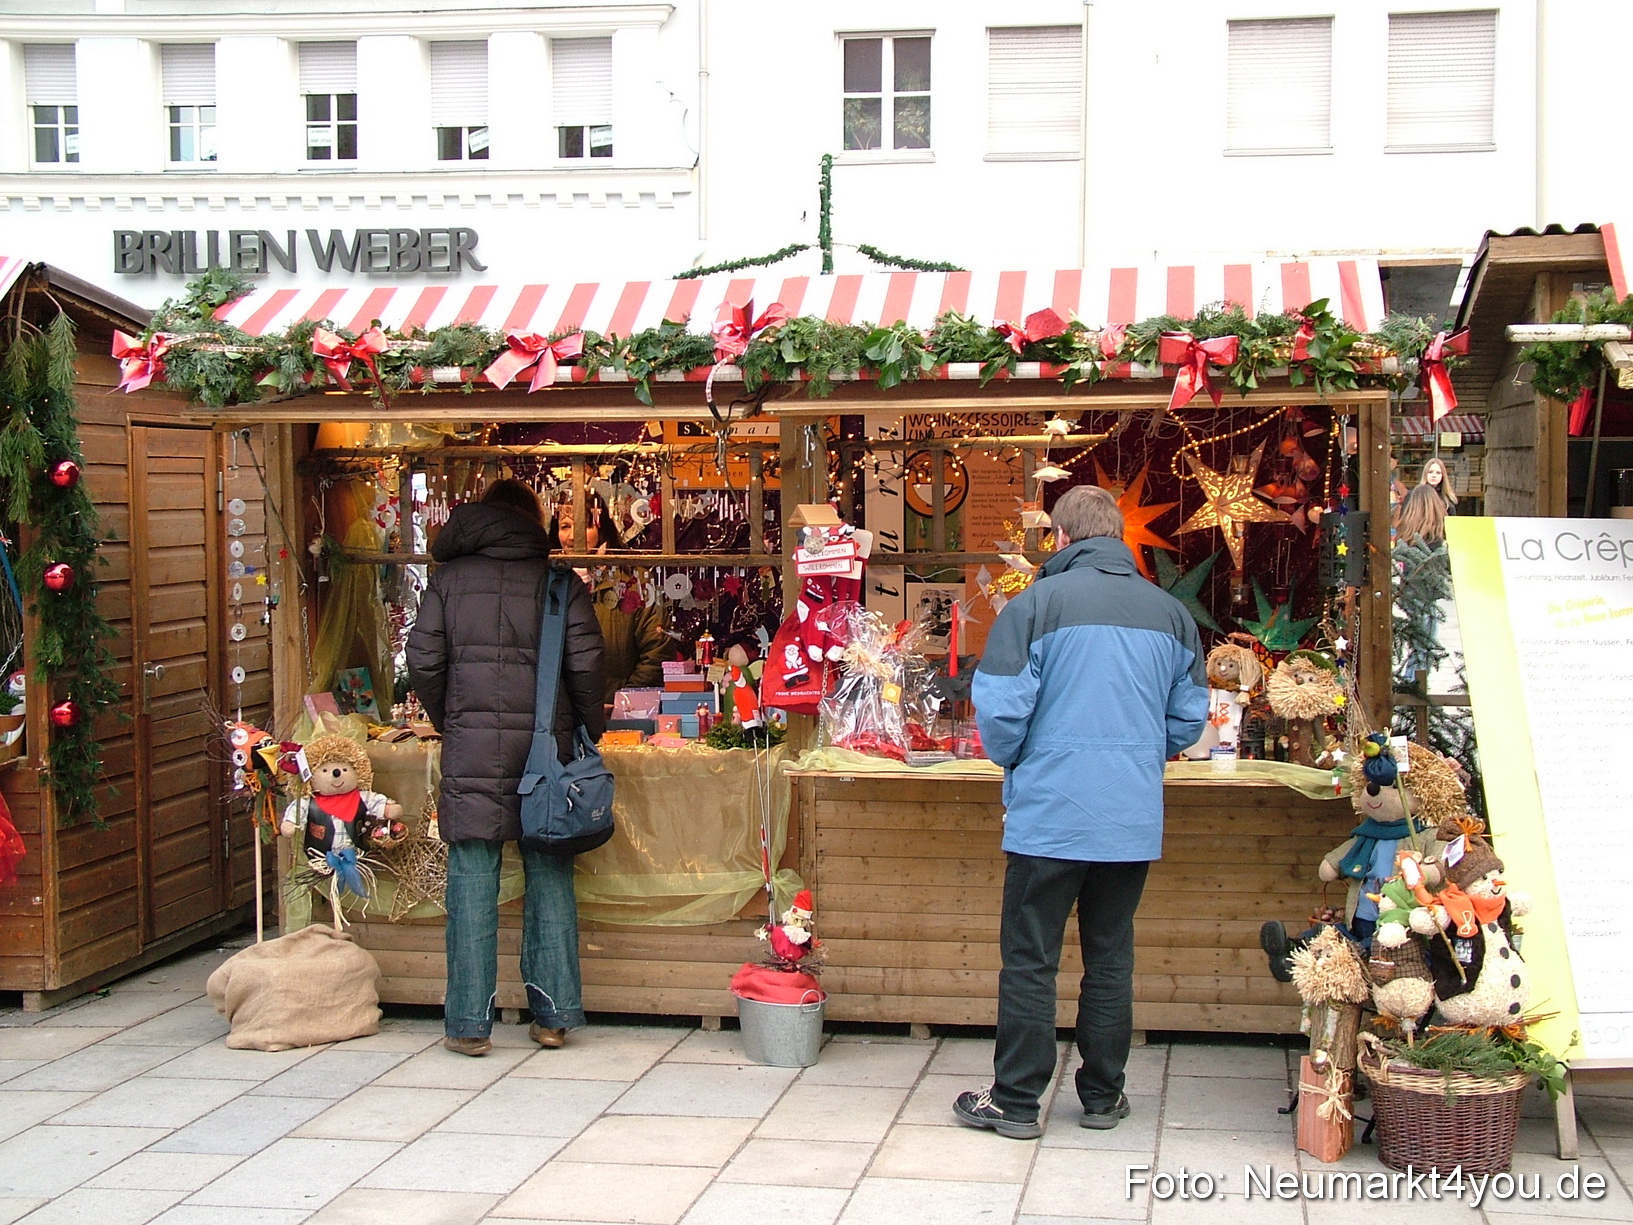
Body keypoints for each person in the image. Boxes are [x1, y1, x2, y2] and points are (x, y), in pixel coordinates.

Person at [953, 484, 1207, 1139]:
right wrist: (1139, 750)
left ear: (1060, 538)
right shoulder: (1169, 613)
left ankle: (1016, 1102)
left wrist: (1024, 759)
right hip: (1129, 822)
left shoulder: (1033, 606)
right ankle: (1102, 1096)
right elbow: (1188, 719)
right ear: (1116, 536)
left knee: (1031, 960)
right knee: (1110, 958)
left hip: (1047, 817)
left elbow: (1000, 717)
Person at [406, 479, 607, 1056]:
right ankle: (553, 1017)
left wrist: (452, 718)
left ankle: (469, 1024)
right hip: (547, 750)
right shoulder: (557, 582)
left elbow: (422, 659)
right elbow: (588, 665)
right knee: (550, 873)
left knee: (472, 877)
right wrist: (586, 729)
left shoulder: (447, 580)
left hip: (470, 750)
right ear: (532, 521)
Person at [554, 492, 675, 702]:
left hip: (618, 710)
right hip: (558, 711)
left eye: (585, 525)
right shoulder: (547, 581)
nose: (573, 536)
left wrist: (621, 701)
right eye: (565, 526)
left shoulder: (634, 581)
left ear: (601, 528)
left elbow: (658, 652)